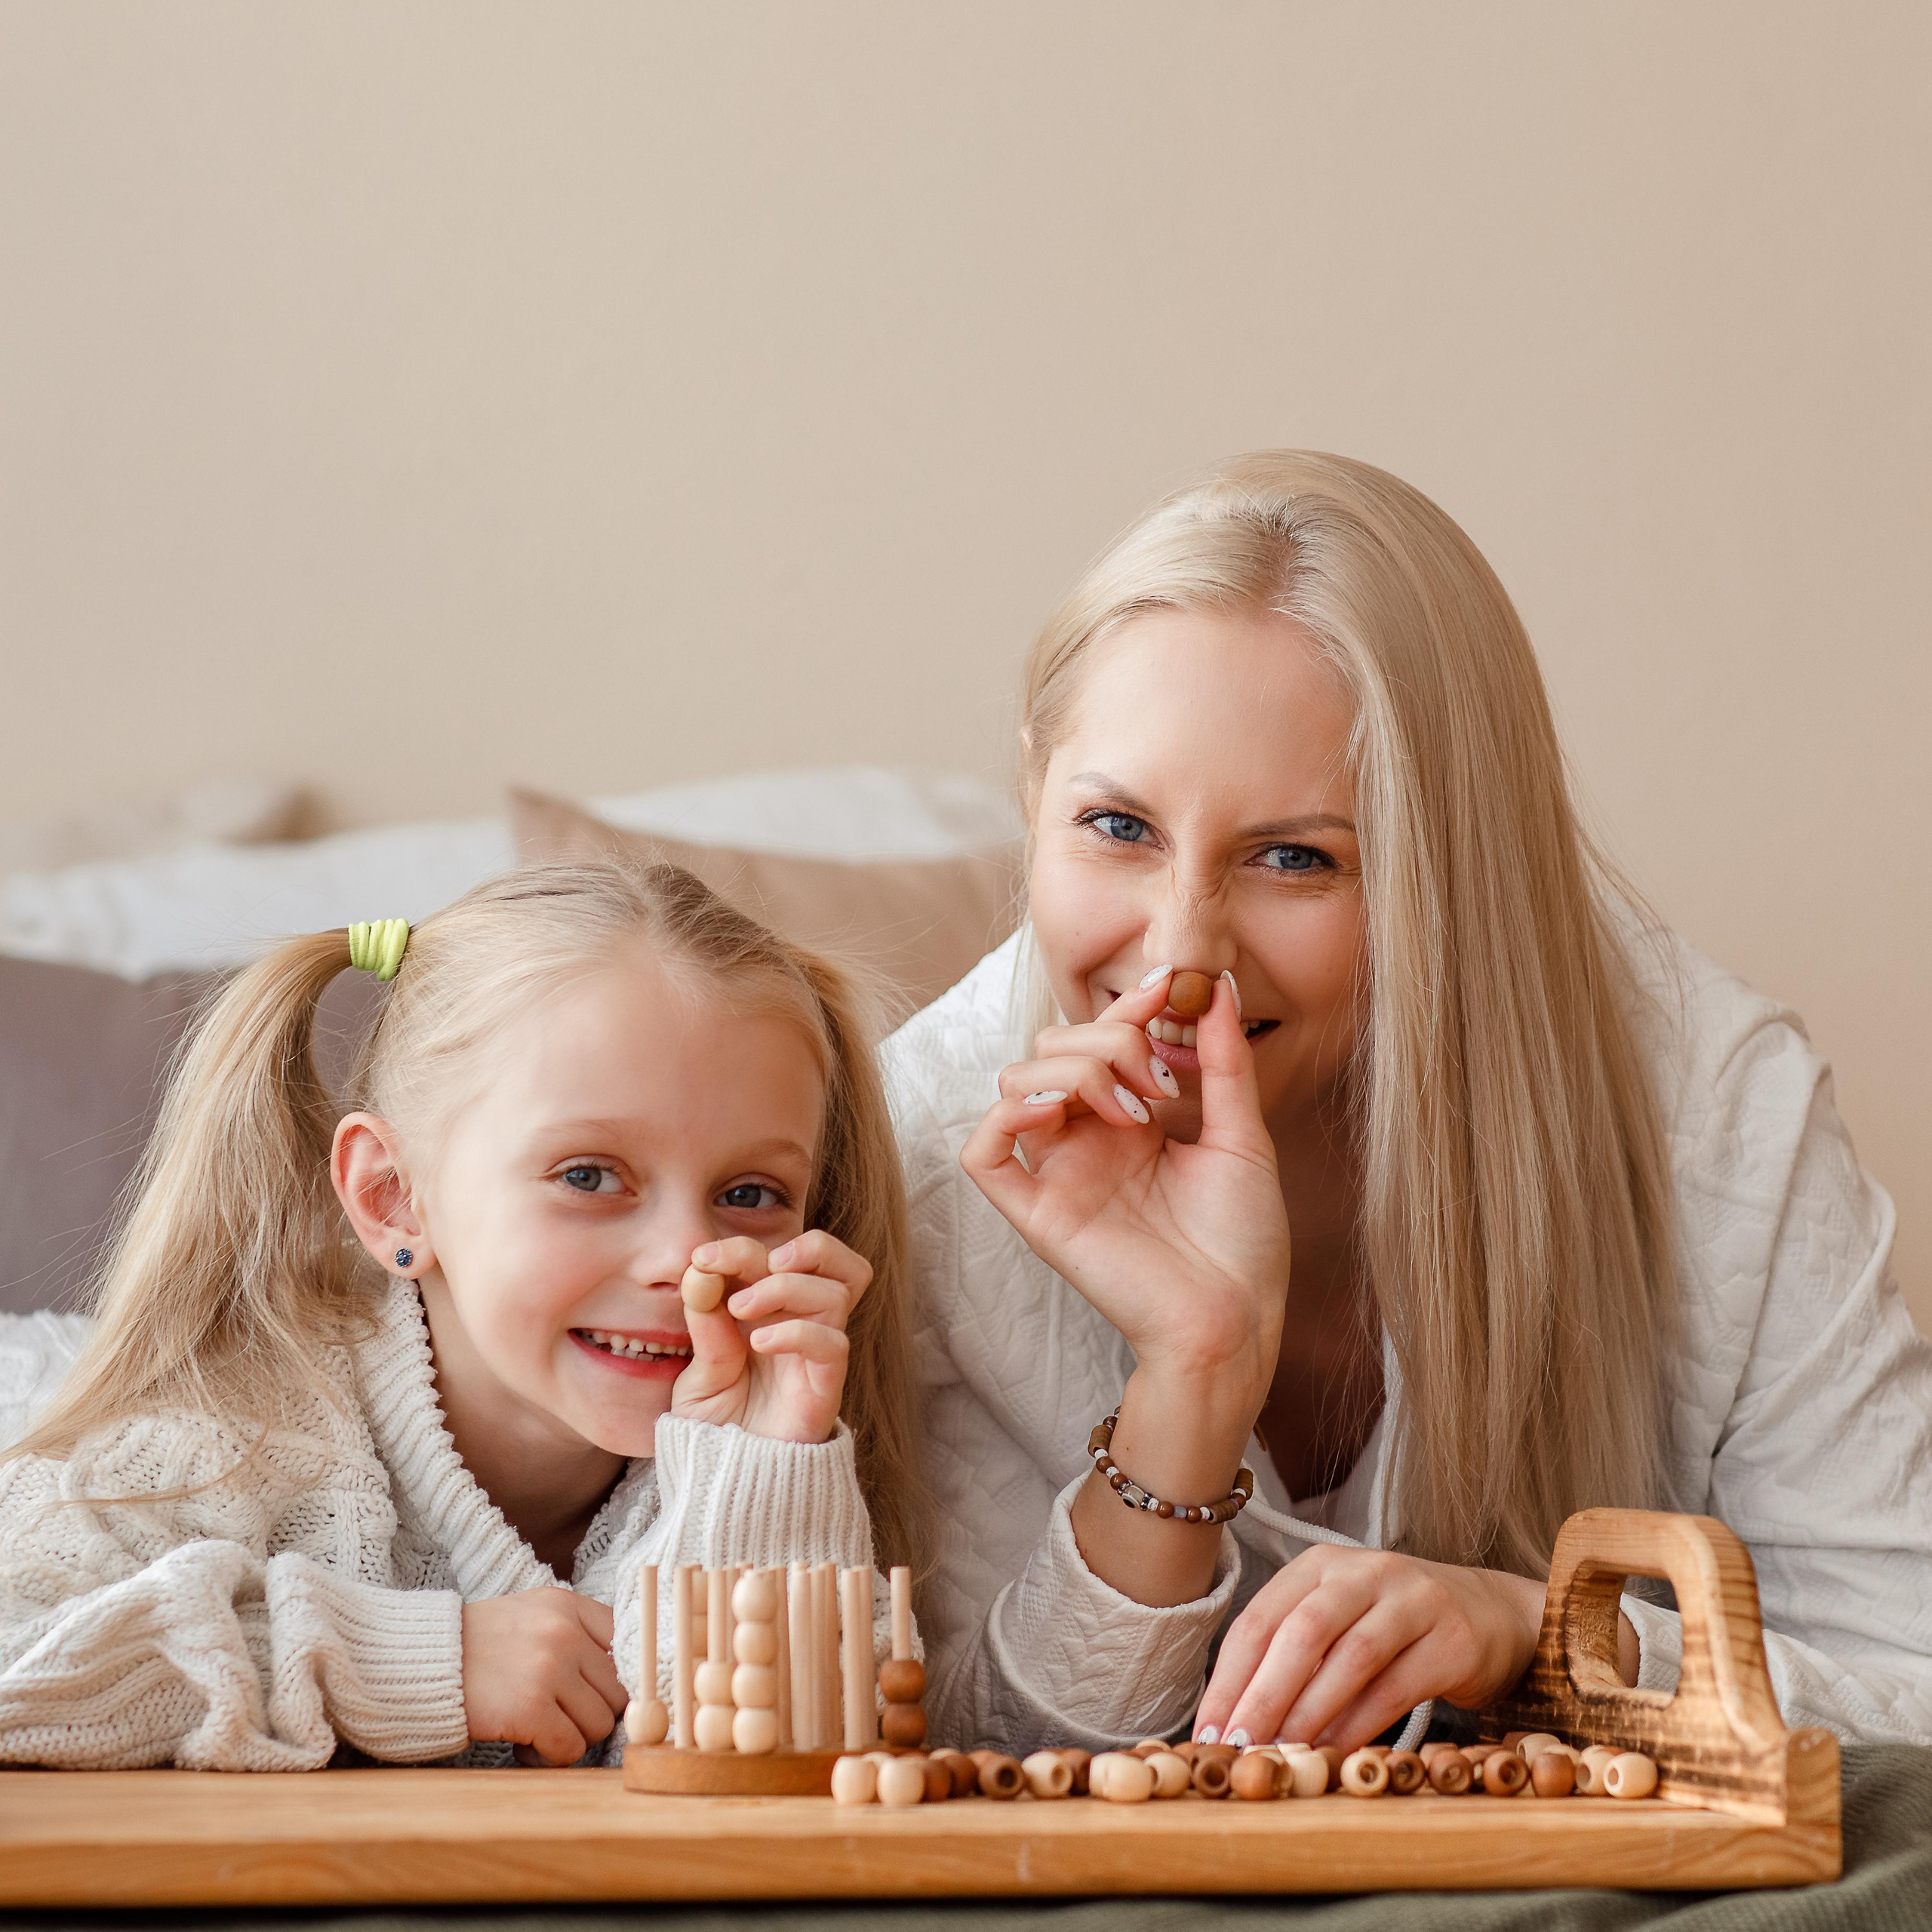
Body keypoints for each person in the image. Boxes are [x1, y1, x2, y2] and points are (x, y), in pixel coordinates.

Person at [886, 450, 1932, 1755]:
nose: (1180, 956)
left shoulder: (1717, 1113)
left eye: (1294, 859)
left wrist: (1536, 1634)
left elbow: (1911, 1684)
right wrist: (1192, 1380)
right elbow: (974, 1762)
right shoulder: (922, 1148)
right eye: (1116, 827)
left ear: (1455, 876)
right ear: (1036, 790)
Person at [0, 859, 922, 1769]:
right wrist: (416, 1663)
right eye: (589, 1176)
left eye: (751, 1192)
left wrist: (754, 1480)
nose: (689, 1259)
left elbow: (788, 1780)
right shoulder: (218, 1440)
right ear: (395, 1198)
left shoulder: (781, 1439)